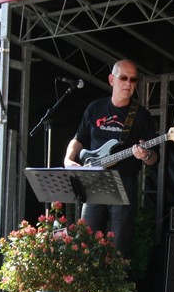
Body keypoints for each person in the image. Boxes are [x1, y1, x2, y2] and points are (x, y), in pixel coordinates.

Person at [64, 59, 157, 259]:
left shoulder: (141, 115)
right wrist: (68, 159)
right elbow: (79, 139)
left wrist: (146, 155)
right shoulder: (95, 108)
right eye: (123, 78)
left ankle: (116, 279)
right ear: (111, 79)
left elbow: (153, 158)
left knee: (119, 247)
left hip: (124, 183)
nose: (128, 83)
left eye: (133, 80)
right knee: (85, 241)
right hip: (94, 181)